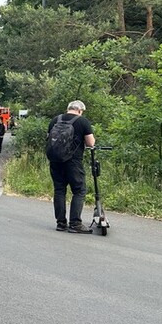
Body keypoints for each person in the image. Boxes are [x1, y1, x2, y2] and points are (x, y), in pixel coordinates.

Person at [48, 100, 95, 233]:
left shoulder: (55, 120)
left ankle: (61, 223)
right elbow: (90, 143)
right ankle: (75, 224)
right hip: (73, 162)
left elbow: (48, 138)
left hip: (55, 161)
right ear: (80, 110)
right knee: (79, 191)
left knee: (59, 190)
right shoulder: (82, 121)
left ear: (68, 108)